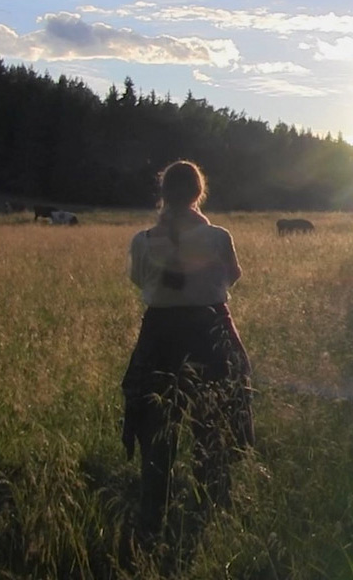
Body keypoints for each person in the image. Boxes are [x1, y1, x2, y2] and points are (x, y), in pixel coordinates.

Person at [121, 160, 254, 537]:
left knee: (156, 432)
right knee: (213, 429)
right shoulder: (218, 237)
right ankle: (210, 520)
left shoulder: (141, 240)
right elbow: (233, 277)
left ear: (163, 194)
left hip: (159, 337)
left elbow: (138, 280)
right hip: (210, 333)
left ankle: (151, 522)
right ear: (199, 194)